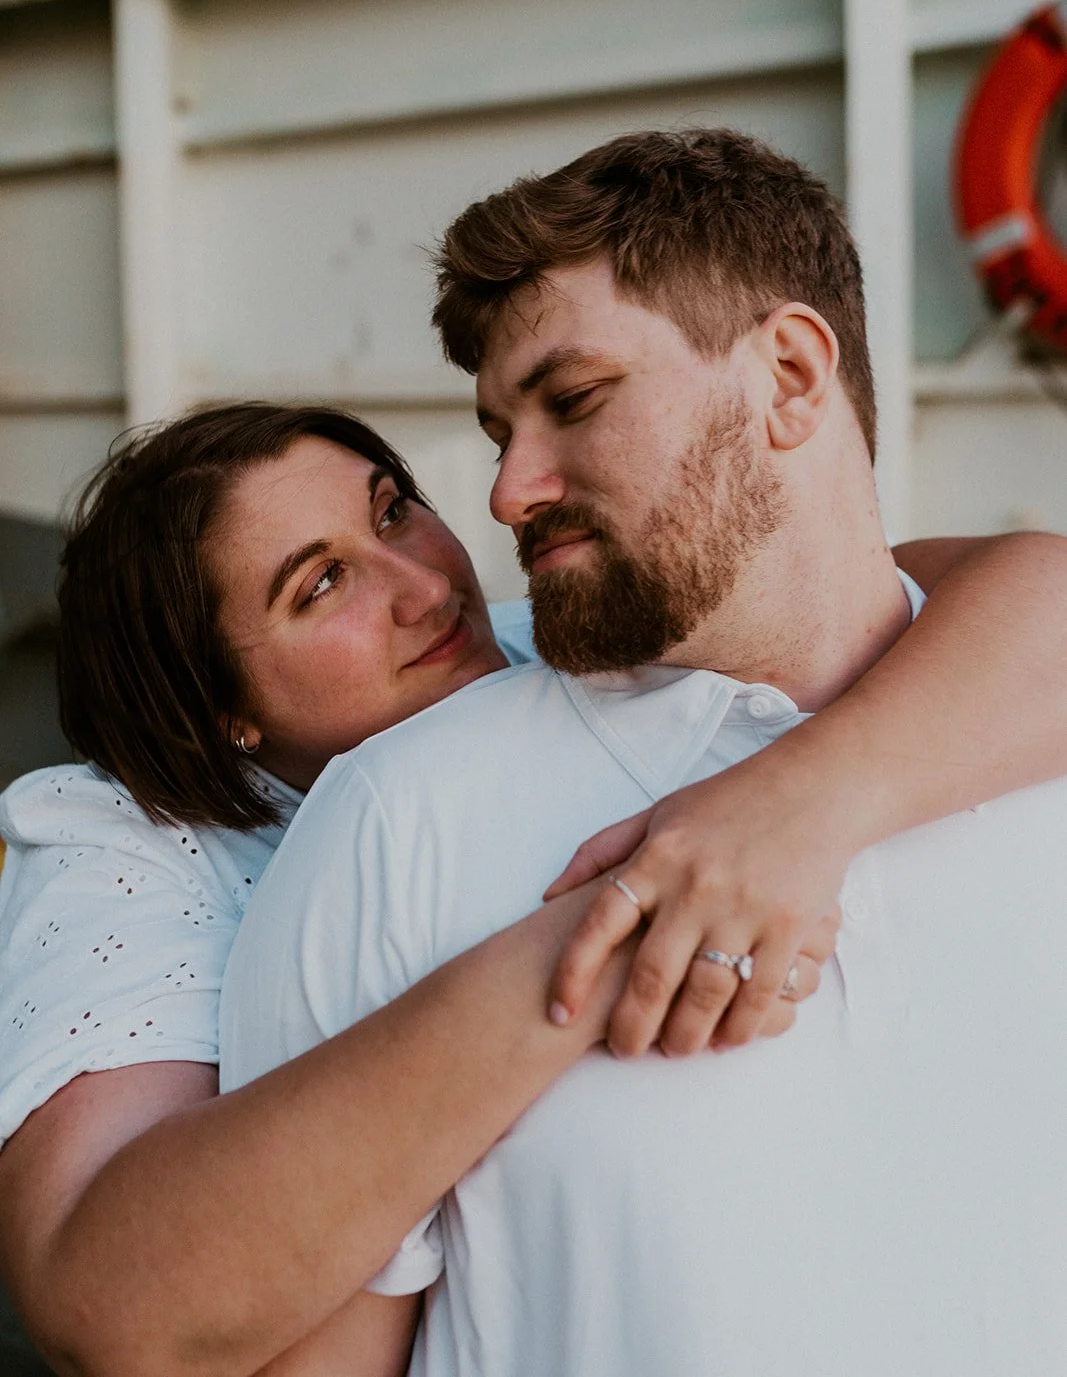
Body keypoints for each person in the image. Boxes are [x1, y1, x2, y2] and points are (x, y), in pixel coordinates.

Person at [0, 355, 1065, 1373]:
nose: (421, 583)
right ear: (217, 715)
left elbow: (1011, 600)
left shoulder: (518, 645)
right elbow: (109, 1303)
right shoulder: (126, 846)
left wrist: (794, 807)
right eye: (321, 584)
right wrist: (627, 923)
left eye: (391, 509)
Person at [223, 128, 1067, 1377]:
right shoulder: (396, 820)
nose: (506, 492)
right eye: (499, 428)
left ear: (788, 374)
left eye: (572, 402)